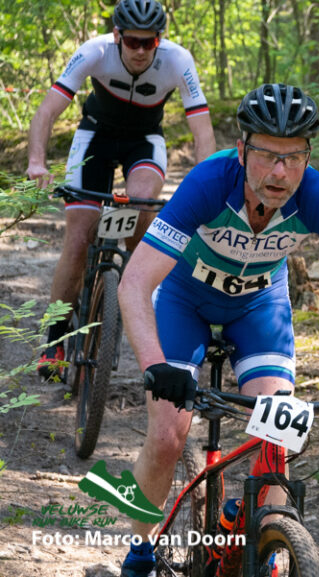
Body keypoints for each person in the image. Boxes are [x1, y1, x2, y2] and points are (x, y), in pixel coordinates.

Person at [116, 83, 319, 577]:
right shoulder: (210, 184)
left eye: (293, 158)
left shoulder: (314, 194)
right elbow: (135, 283)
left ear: (307, 158)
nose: (280, 173)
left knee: (275, 433)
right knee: (170, 434)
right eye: (267, 157)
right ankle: (140, 549)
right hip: (185, 300)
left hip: (258, 307)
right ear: (242, 151)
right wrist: (155, 367)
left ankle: (269, 537)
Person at [29, 0, 216, 379]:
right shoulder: (94, 51)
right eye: (132, 42)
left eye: (150, 43)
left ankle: (140, 304)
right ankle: (55, 340)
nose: (140, 51)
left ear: (160, 39)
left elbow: (203, 132)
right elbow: (47, 111)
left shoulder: (178, 60)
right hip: (95, 137)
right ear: (117, 36)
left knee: (142, 209)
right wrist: (36, 161)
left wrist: (208, 183)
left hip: (144, 142)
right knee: (79, 238)